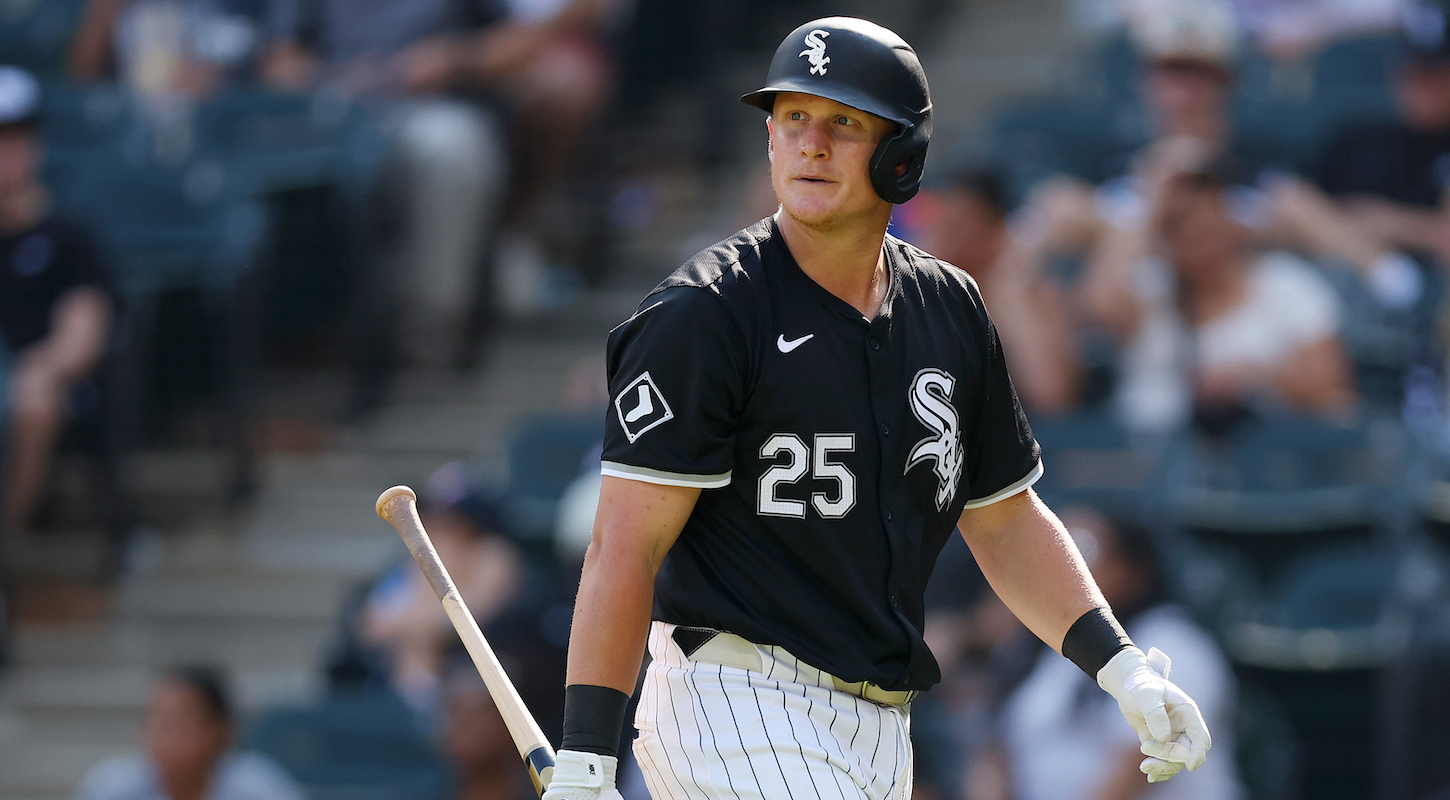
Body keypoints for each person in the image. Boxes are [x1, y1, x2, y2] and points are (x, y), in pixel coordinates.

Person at [541, 18, 1212, 800]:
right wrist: (587, 757)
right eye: (793, 117)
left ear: (902, 155)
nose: (810, 144)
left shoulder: (949, 307)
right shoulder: (705, 314)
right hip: (735, 697)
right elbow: (623, 545)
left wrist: (1122, 667)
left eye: (843, 123)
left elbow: (1004, 518)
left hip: (880, 726)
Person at [1081, 158, 1356, 431]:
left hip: (1262, 447)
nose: (1199, 229)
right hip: (1149, 447)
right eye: (1180, 222)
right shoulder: (1150, 285)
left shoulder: (1284, 281)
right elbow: (1099, 306)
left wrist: (1254, 378)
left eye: (1209, 212)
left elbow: (1331, 388)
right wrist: (1150, 198)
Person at [1002, 508, 1244, 800]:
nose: (1059, 567)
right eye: (1052, 549)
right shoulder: (1051, 643)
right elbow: (995, 746)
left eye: (1082, 549)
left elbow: (1132, 775)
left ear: (1133, 570)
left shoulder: (1172, 644)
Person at [0, 68, 114, 568]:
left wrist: (42, 368)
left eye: (15, 138)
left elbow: (83, 333)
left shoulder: (68, 236)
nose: (6, 153)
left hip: (36, 380)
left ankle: (8, 533)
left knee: (33, 395)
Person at [74, 665, 306, 800]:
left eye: (177, 722)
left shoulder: (260, 790)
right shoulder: (111, 789)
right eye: (155, 721)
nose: (161, 735)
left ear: (217, 730)